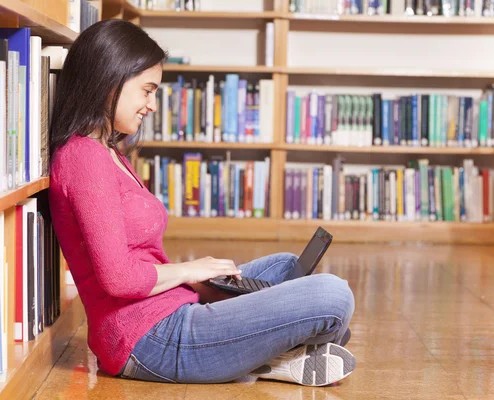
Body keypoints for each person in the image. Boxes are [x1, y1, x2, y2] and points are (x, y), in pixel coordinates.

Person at [48, 19, 356, 387]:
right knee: (332, 294)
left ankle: (273, 352)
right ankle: (277, 355)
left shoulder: (107, 151)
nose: (152, 105)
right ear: (108, 78)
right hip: (150, 339)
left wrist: (198, 284)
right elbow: (118, 279)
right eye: (146, 90)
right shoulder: (84, 158)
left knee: (287, 266)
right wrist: (191, 271)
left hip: (172, 308)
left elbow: (137, 262)